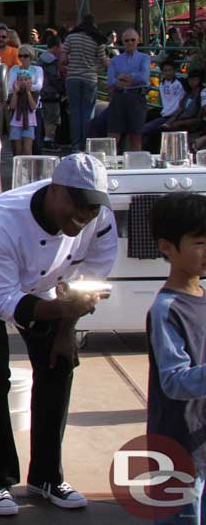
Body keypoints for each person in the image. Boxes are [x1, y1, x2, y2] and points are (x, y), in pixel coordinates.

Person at [0, 153, 117, 516]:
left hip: (43, 281)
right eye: (78, 206)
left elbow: (85, 286)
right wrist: (60, 310)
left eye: (93, 209)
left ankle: (47, 475)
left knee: (58, 362)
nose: (84, 217)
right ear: (55, 191)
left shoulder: (99, 221)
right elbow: (2, 300)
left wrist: (65, 330)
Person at [146, 192, 206, 525]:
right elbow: (174, 382)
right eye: (199, 242)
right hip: (178, 449)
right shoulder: (166, 310)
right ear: (167, 247)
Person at [61, 16, 109, 151]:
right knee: (88, 112)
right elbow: (104, 60)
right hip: (90, 78)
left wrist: (71, 65)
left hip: (73, 78)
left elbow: (63, 59)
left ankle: (75, 145)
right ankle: (86, 145)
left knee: (75, 113)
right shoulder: (97, 39)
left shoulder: (71, 38)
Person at [106, 28, 151, 153]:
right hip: (119, 98)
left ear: (138, 41)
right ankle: (111, 165)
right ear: (122, 42)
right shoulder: (115, 60)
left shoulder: (144, 58)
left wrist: (123, 77)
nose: (130, 42)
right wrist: (132, 79)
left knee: (136, 137)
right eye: (126, 40)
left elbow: (144, 77)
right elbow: (111, 80)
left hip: (137, 98)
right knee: (113, 136)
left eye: (133, 40)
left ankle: (136, 168)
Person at [143, 61, 186, 151]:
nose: (168, 73)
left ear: (174, 70)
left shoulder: (181, 83)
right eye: (165, 71)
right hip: (165, 114)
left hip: (175, 115)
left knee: (146, 130)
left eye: (170, 70)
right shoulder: (162, 84)